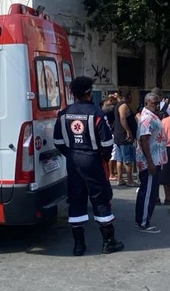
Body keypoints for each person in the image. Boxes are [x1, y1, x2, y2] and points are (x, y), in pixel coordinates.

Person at [53, 76, 124, 256]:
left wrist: (70, 154)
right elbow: (107, 144)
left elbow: (58, 141)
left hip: (73, 160)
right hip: (93, 161)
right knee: (100, 199)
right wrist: (103, 157)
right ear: (89, 93)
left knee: (76, 200)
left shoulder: (63, 114)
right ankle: (108, 242)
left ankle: (79, 246)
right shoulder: (97, 114)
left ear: (73, 94)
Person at [134, 91, 168, 233]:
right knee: (148, 192)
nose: (157, 105)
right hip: (150, 162)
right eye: (154, 102)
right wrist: (150, 162)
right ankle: (143, 222)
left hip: (155, 160)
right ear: (147, 102)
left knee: (152, 192)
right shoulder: (147, 118)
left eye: (158, 102)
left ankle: (143, 219)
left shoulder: (152, 116)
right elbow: (144, 140)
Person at [113, 91, 138, 187]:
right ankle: (130, 180)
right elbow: (123, 118)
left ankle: (120, 179)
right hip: (124, 136)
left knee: (119, 159)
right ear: (129, 96)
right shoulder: (123, 105)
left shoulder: (118, 104)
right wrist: (128, 131)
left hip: (118, 135)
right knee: (127, 159)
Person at [101, 94, 120, 180]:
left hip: (108, 132)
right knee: (113, 154)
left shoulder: (103, 109)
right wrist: (118, 98)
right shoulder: (109, 108)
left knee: (113, 154)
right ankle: (111, 174)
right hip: (111, 133)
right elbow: (119, 105)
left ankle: (112, 172)